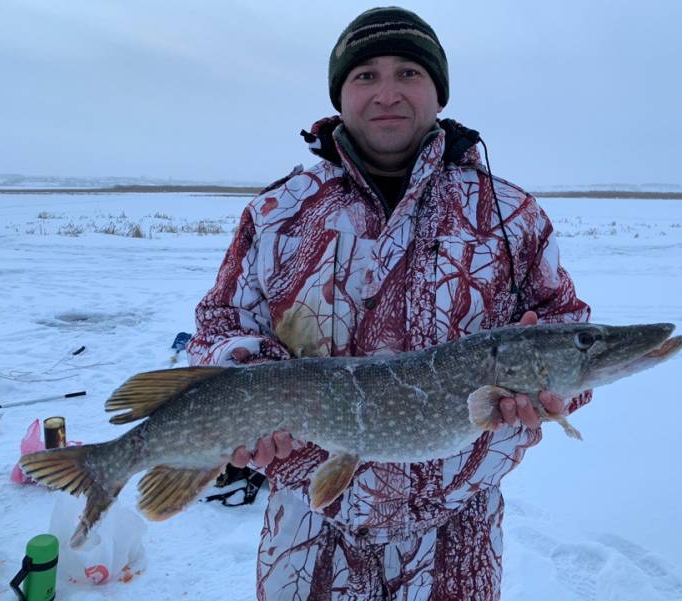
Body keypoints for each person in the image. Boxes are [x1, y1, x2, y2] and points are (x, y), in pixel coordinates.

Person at [187, 6, 591, 599]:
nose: (387, 93)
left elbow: (569, 331)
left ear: (438, 91)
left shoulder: (510, 214)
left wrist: (550, 396)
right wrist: (249, 391)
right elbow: (219, 326)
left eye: (408, 72)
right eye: (366, 75)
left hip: (459, 526)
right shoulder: (278, 213)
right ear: (340, 94)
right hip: (309, 525)